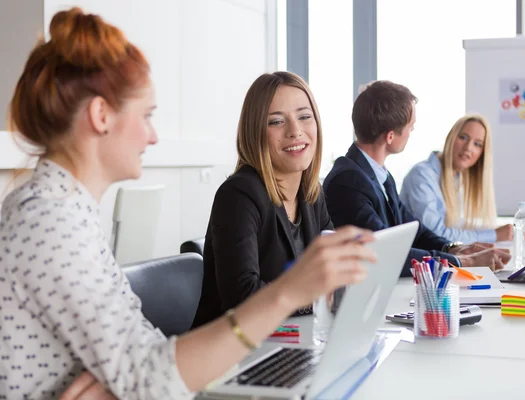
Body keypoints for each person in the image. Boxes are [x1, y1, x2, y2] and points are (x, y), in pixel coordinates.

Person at [1, 8, 375, 399]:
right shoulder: (50, 220)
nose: (153, 137)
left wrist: (131, 380)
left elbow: (144, 368)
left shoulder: (64, 211)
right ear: (101, 116)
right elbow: (147, 378)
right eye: (146, 116)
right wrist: (289, 292)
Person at [323, 80, 511, 276]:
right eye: (410, 128)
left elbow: (413, 229)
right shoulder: (348, 181)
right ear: (390, 137)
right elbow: (384, 251)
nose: (411, 133)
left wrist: (453, 248)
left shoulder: (379, 175)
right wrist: (461, 262)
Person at [192, 71, 332, 328]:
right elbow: (243, 297)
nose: (295, 131)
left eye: (304, 116)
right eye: (277, 122)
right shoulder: (238, 195)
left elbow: (330, 271)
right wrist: (311, 296)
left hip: (294, 341)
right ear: (255, 132)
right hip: (234, 354)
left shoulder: (312, 194)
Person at [399, 114, 513, 244]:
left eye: (477, 144)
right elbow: (436, 234)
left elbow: (455, 225)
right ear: (450, 138)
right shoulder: (421, 176)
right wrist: (494, 235)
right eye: (463, 137)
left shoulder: (456, 177)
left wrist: (501, 231)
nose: (468, 148)